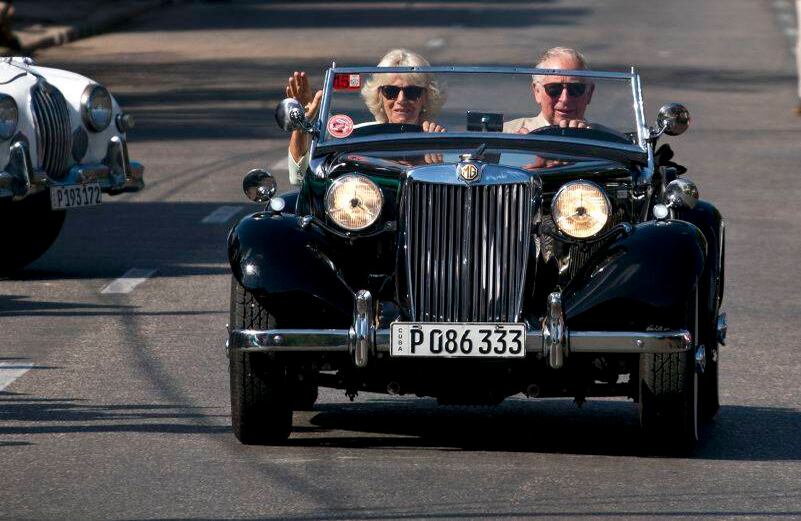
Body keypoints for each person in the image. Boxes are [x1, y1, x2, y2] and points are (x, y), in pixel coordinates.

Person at [285, 49, 446, 184]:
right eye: (391, 91)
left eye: (412, 92)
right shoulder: (353, 137)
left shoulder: (447, 142)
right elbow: (300, 177)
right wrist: (301, 125)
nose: (401, 100)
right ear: (379, 96)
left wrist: (435, 156)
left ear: (425, 97)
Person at [503, 47, 594, 134]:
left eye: (576, 89)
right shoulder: (506, 134)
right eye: (554, 89)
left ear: (589, 93)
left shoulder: (603, 140)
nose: (565, 99)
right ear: (537, 91)